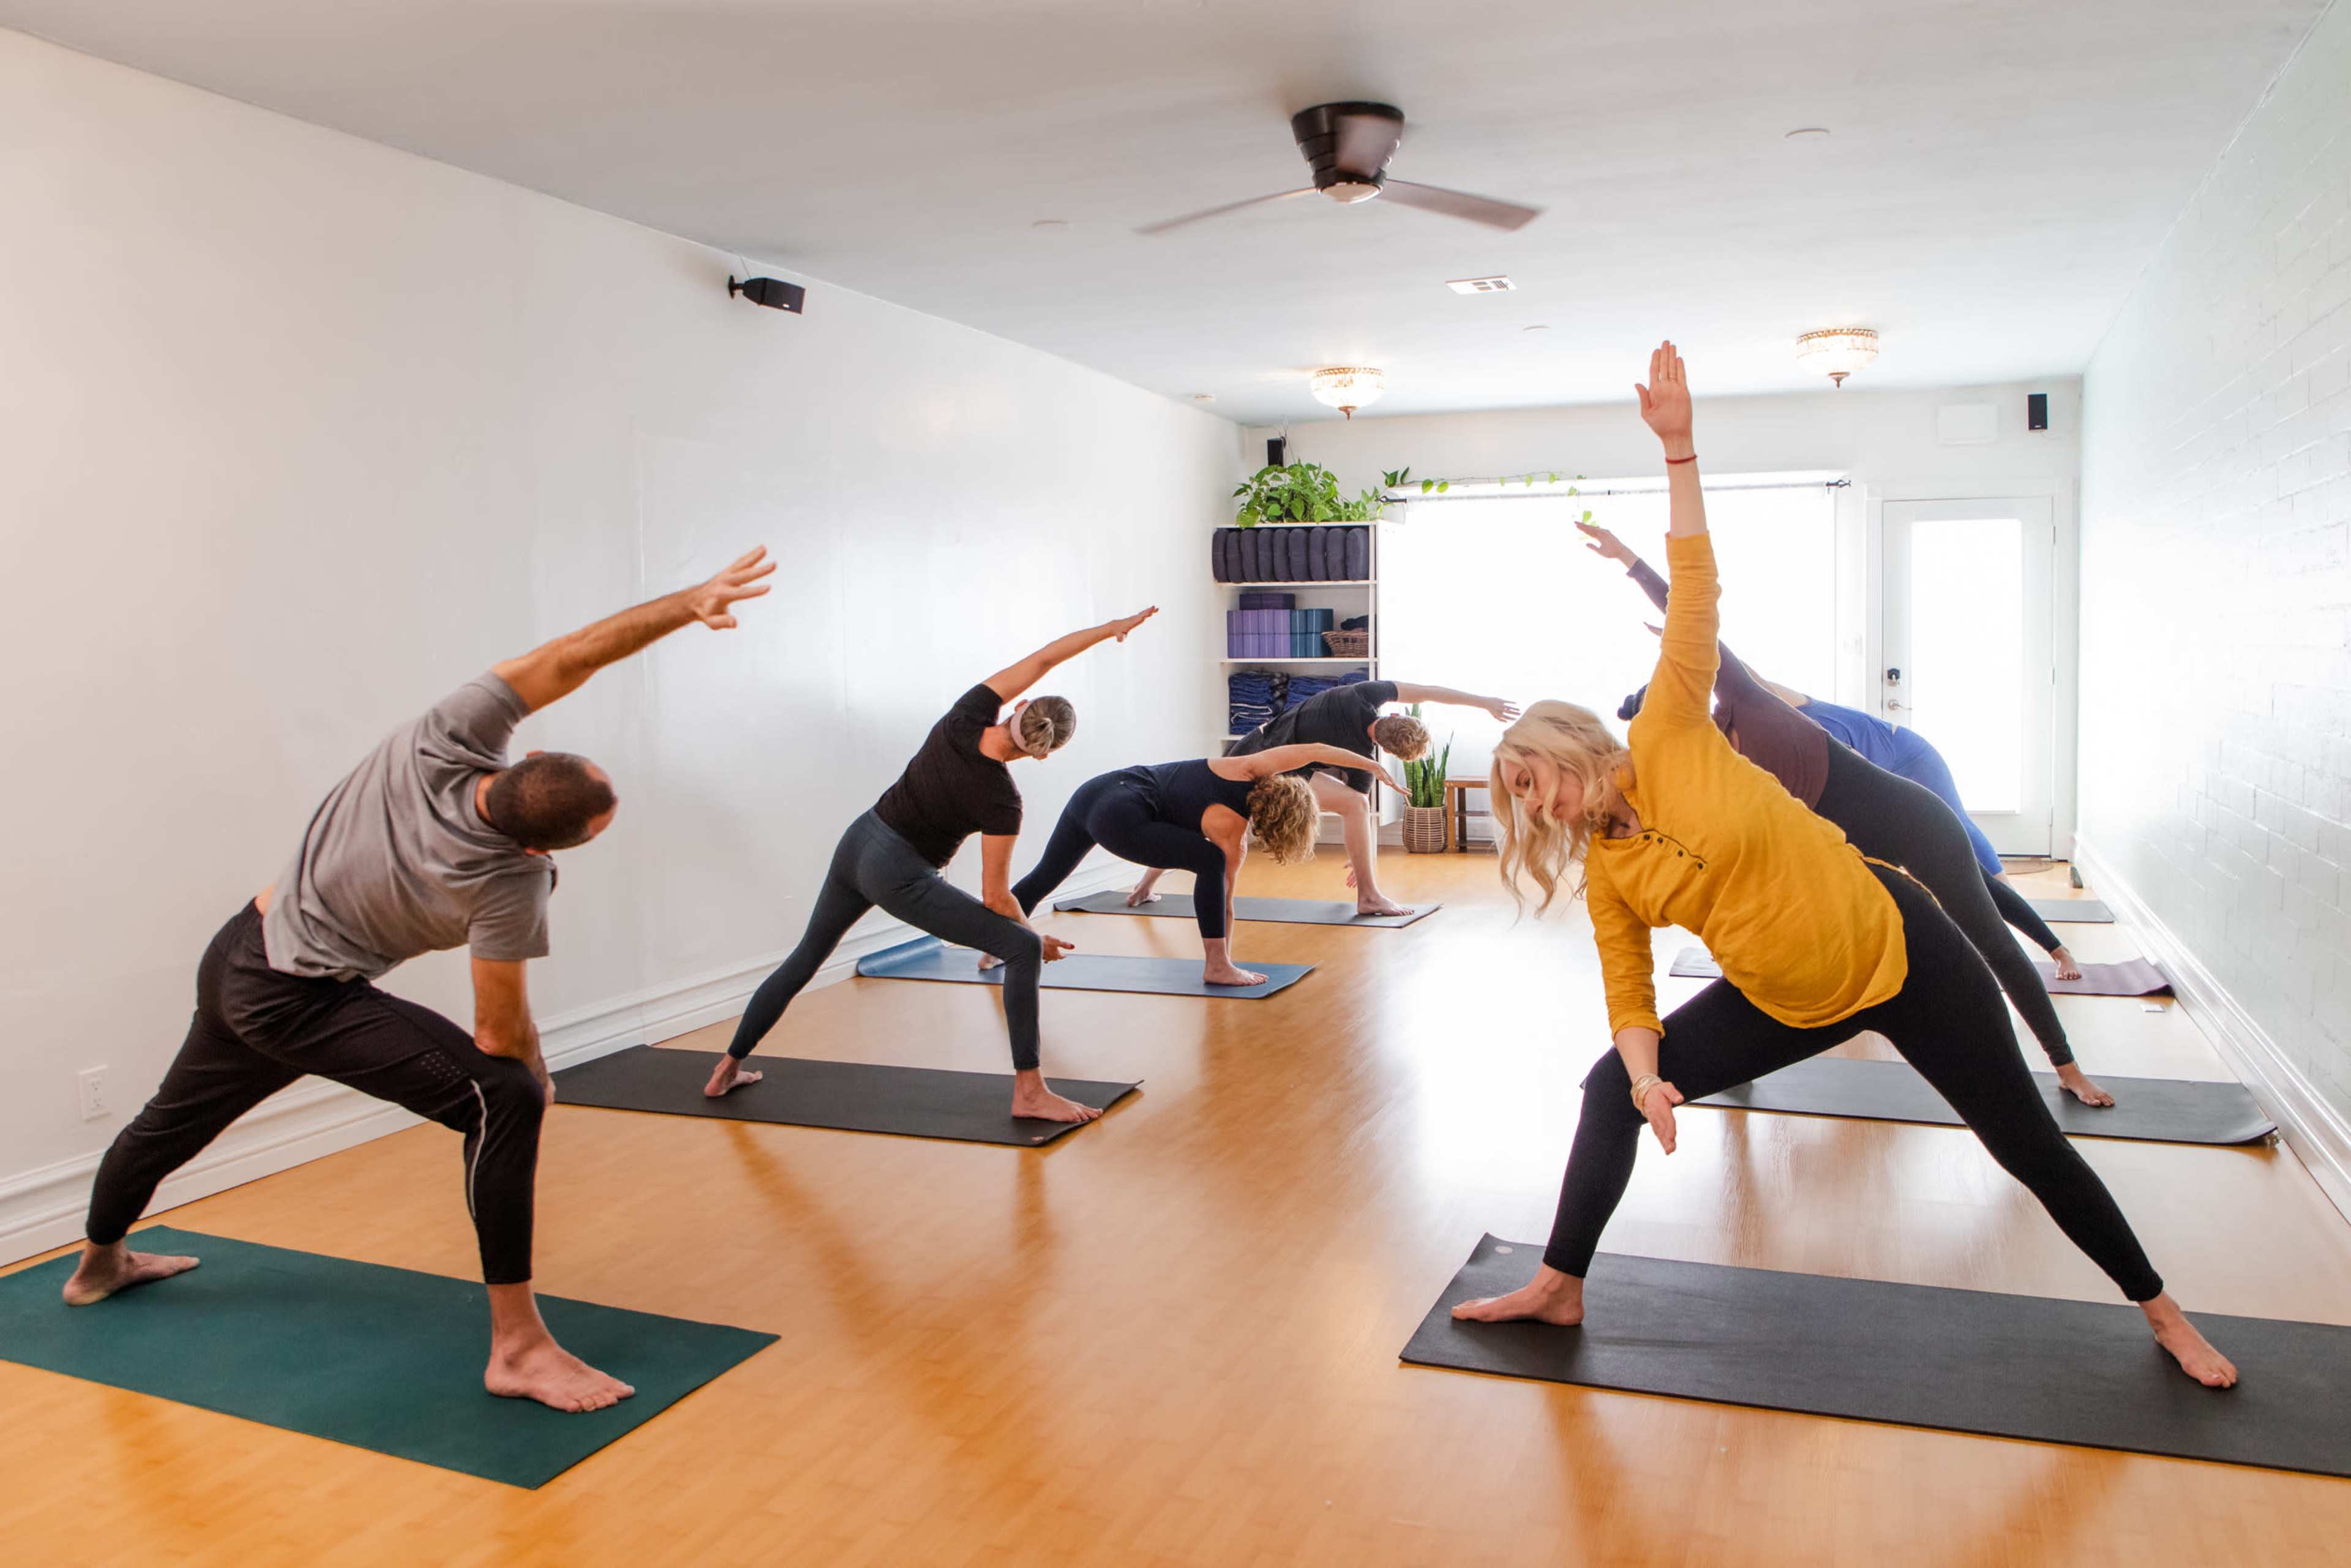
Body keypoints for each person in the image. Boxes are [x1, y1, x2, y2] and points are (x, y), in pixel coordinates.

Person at [1450, 343, 2233, 1387]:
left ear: (1565, 744)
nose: (1531, 801)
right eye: (1515, 796)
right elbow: (1628, 989)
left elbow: (1696, 590)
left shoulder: (1678, 726)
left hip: (1903, 951)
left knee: (2026, 1147)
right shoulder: (1609, 871)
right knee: (1604, 1089)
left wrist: (1680, 450)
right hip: (1783, 998)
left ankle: (2164, 1311)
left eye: (1529, 775)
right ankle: (1560, 1282)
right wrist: (1648, 1081)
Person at [67, 547, 780, 1413]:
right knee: (504, 1096)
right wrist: (539, 1078)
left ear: (528, 754)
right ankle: (517, 1348)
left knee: (168, 1119)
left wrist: (686, 603)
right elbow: (497, 1034)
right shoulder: (513, 882)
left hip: (241, 947)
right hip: (299, 995)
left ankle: (98, 1264)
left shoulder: (442, 737)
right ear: (542, 846)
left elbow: (572, 653)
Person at [1579, 523, 2111, 1106]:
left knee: (1987, 928)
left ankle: (2067, 1065)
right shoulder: (1701, 779)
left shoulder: (1744, 697)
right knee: (1746, 952)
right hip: (1857, 858)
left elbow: (1689, 607)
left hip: (1913, 821)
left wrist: (1631, 561)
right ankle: (1737, 1073)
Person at [703, 609, 1159, 1122]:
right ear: (1044, 755)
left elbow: (1046, 656)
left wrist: (1109, 628)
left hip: (858, 840)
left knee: (807, 956)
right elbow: (995, 896)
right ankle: (1030, 1091)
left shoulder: (967, 715)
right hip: (899, 872)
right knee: (1022, 947)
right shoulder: (1002, 801)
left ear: (1020, 706)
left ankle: (726, 1065)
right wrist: (1034, 935)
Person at [1005, 745, 1404, 985]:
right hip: (1120, 816)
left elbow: (1317, 748)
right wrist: (1227, 959)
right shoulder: (1231, 828)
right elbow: (1224, 901)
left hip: (1098, 790)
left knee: (1046, 874)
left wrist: (1373, 766)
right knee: (1209, 859)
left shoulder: (1252, 764)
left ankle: (993, 942)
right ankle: (1216, 966)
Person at [1136, 678, 1519, 917]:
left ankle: (1144, 886)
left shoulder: (1362, 694)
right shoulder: (1361, 761)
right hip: (1274, 768)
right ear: (1389, 752)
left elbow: (1430, 692)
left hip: (1259, 752)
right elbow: (1357, 809)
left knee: (1200, 821)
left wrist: (1484, 700)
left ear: (1397, 713)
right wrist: (1361, 859)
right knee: (1357, 804)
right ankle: (1368, 895)